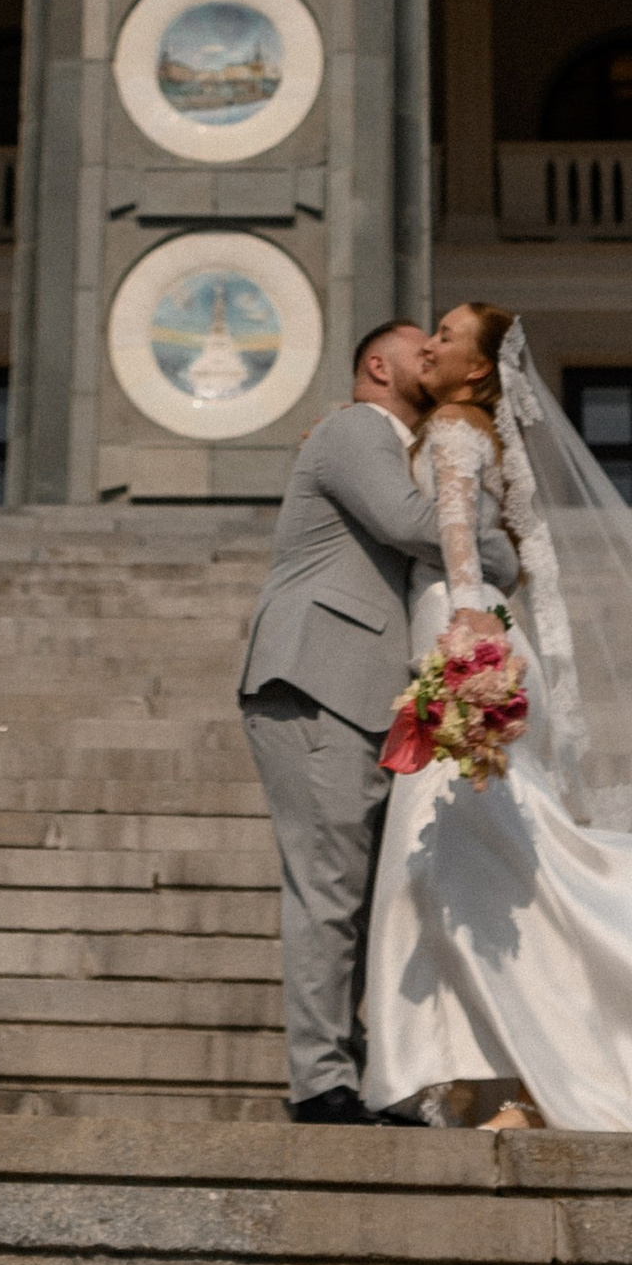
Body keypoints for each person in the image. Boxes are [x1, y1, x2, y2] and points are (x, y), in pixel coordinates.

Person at [362, 300, 632, 1135]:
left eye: (443, 337)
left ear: (478, 368)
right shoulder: (469, 428)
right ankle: (506, 1080)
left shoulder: (449, 429)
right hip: (486, 640)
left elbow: (454, 537)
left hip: (465, 639)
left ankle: (540, 1083)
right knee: (485, 869)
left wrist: (466, 639)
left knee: (468, 865)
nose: (428, 347)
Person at [236, 317, 519, 1121]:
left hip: (363, 688)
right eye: (416, 345)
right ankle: (321, 1080)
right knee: (329, 884)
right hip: (320, 676)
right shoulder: (358, 428)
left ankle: (354, 1071)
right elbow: (413, 527)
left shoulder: (397, 443)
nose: (430, 352)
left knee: (357, 888)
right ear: (376, 364)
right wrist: (502, 549)